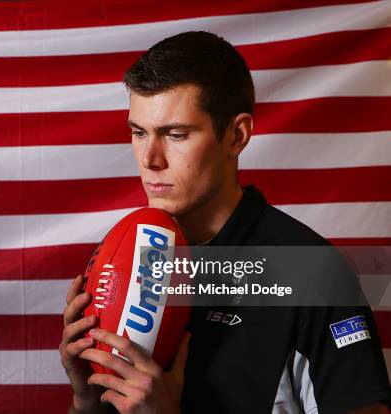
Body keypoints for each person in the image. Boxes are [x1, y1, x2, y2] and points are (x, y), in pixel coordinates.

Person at [59, 31, 391, 413]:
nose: (150, 158)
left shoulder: (309, 270)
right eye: (139, 132)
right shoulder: (126, 255)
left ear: (236, 136)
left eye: (176, 134)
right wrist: (87, 400)